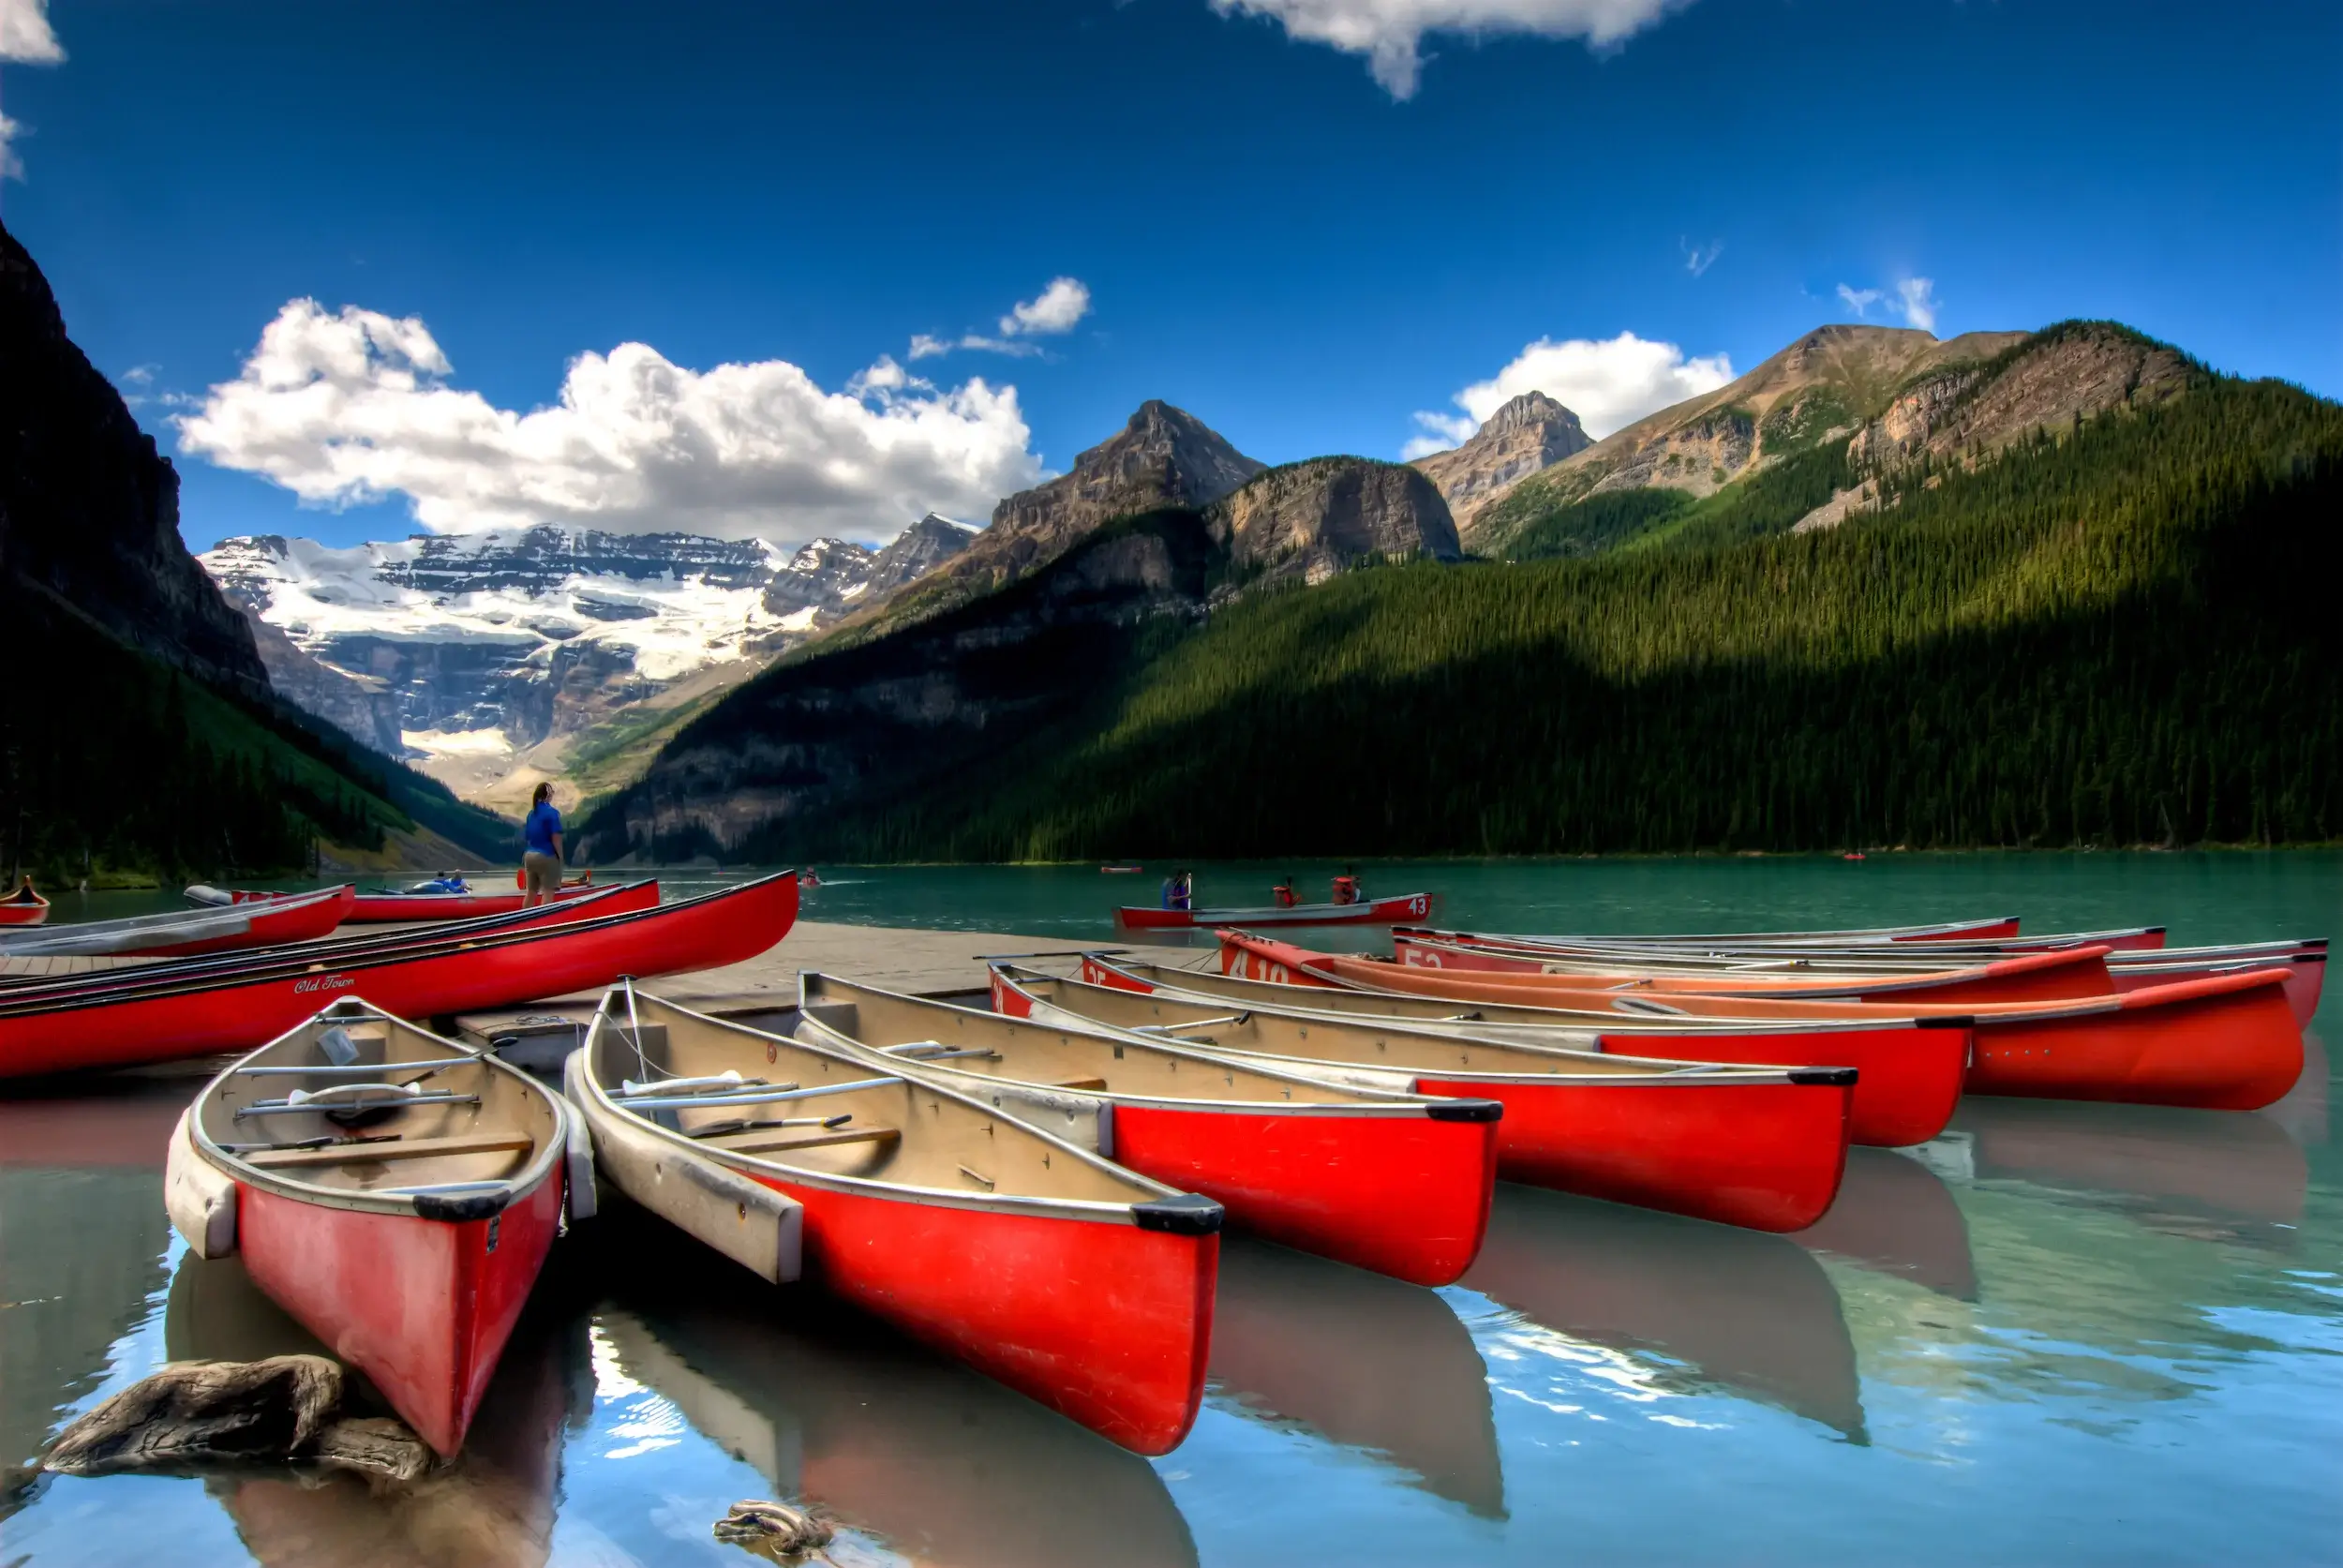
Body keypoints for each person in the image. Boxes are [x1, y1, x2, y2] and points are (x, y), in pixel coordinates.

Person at [522, 783, 565, 906]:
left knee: (531, 892)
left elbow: (529, 836)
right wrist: (560, 857)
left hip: (529, 855)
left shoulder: (531, 814)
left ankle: (523, 921)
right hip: (546, 856)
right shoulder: (552, 813)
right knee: (548, 892)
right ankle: (543, 923)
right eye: (552, 792)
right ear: (548, 795)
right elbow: (556, 838)